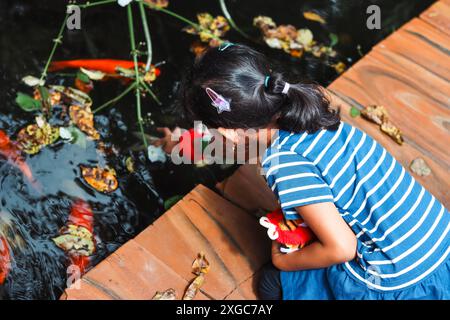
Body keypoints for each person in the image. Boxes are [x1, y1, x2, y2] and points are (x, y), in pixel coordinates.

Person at [155, 43, 450, 300]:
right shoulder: (311, 115)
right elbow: (248, 144)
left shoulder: (286, 166)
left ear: (230, 134)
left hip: (405, 284)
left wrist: (285, 263)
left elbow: (343, 248)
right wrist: (184, 143)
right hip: (441, 243)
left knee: (272, 284)